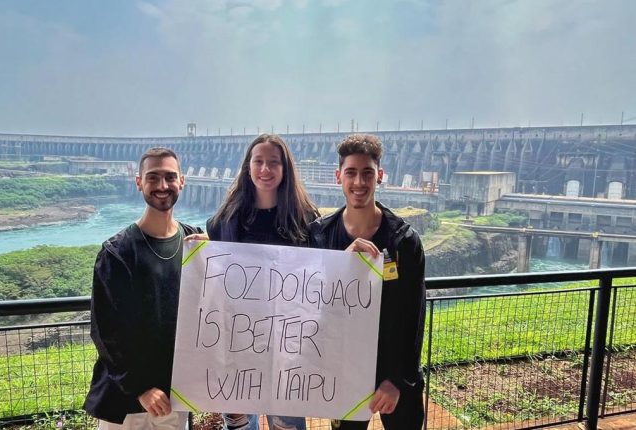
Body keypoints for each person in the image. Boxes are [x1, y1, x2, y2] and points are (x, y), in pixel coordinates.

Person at [309, 134, 426, 430]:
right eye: (351, 173)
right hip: (344, 373)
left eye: (367, 173)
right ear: (338, 177)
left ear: (380, 176)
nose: (359, 182)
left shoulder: (404, 241)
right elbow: (310, 303)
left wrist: (398, 380)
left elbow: (414, 316)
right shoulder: (320, 237)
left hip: (395, 376)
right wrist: (342, 265)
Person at [84, 147, 203, 430]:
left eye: (170, 177)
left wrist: (216, 257)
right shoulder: (117, 252)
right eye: (153, 178)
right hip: (128, 405)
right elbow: (106, 332)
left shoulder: (194, 243)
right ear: (139, 182)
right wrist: (140, 388)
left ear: (182, 181)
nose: (162, 186)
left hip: (175, 398)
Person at [206, 133, 319, 430]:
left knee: (288, 425)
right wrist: (199, 252)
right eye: (259, 162)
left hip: (288, 347)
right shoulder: (226, 219)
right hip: (236, 344)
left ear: (285, 169)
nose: (265, 170)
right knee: (240, 425)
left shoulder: (305, 219)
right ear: (248, 167)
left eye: (273, 163)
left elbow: (320, 276)